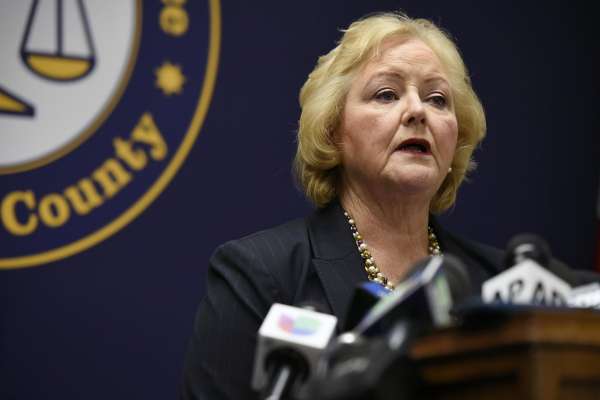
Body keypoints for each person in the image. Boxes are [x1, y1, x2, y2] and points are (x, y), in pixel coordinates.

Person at [180, 12, 596, 400]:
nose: (417, 110)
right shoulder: (261, 274)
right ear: (334, 132)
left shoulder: (502, 284)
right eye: (386, 94)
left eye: (437, 99)